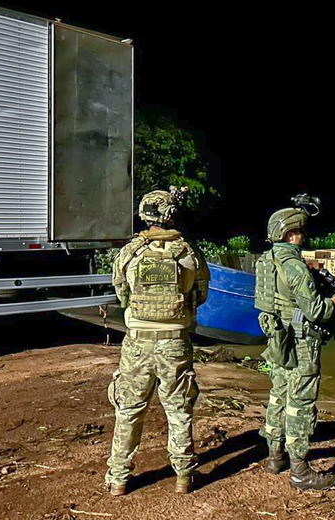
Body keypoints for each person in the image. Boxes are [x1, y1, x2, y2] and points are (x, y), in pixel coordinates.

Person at [105, 186, 210, 496]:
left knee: (128, 410)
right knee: (179, 410)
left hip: (137, 343)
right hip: (175, 342)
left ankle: (119, 479)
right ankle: (184, 477)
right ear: (171, 215)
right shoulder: (189, 254)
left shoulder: (130, 253)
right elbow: (200, 296)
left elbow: (122, 294)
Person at [255, 205, 335, 490]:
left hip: (278, 338)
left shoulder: (267, 260)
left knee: (278, 396)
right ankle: (300, 471)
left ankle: (275, 457)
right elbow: (316, 311)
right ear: (291, 233)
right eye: (300, 231)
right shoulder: (294, 266)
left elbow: (276, 298)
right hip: (301, 342)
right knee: (300, 403)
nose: (303, 236)